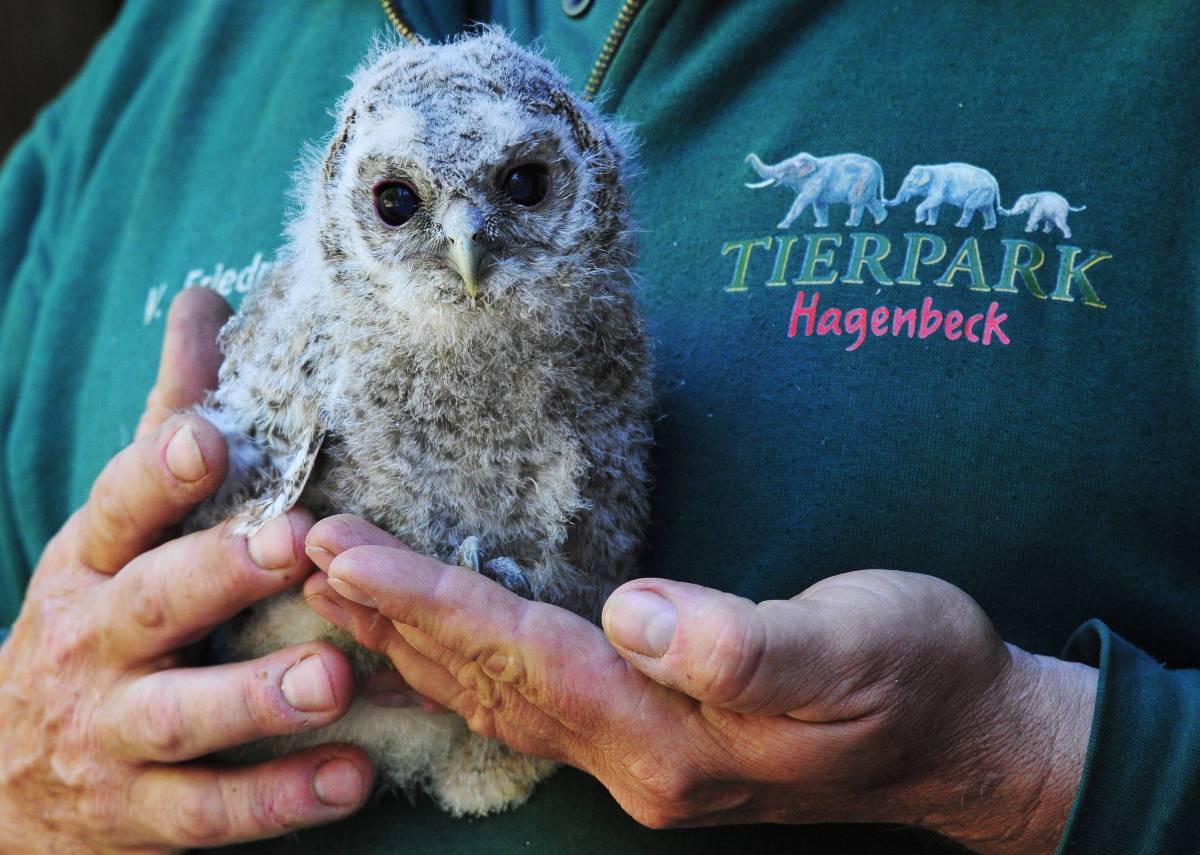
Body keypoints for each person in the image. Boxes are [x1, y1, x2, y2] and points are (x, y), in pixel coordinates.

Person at [0, 2, 1196, 852]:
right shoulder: (161, 56)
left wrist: (1025, 760)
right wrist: (21, 786)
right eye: (401, 204)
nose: (466, 247)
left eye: (522, 188)